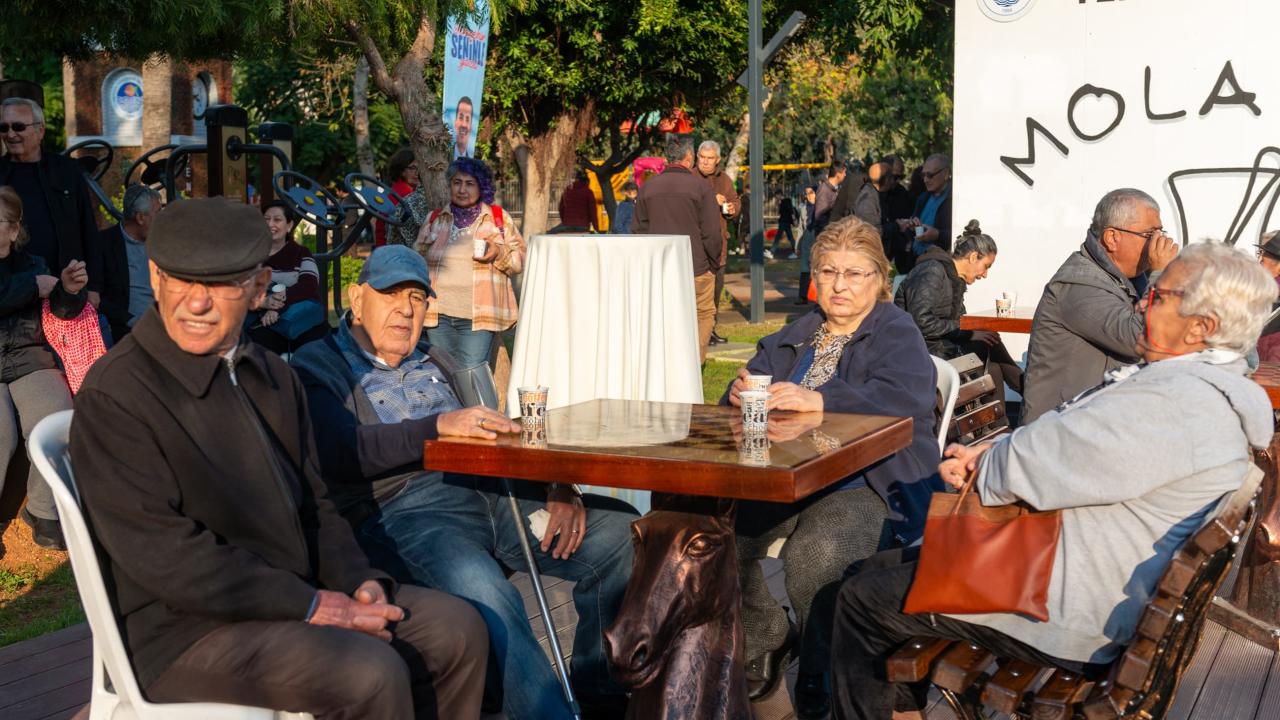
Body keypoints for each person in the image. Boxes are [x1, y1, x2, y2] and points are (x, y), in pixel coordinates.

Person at [68, 198, 487, 718]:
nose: (196, 303)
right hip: (183, 632)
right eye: (180, 280)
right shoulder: (117, 393)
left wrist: (359, 580)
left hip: (295, 592)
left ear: (259, 287)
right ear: (154, 277)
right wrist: (310, 605)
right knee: (370, 674)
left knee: (458, 629)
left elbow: (317, 504)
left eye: (222, 283)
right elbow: (166, 556)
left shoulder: (272, 375)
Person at [830, 241, 1277, 720]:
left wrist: (986, 464)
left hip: (1073, 608)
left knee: (860, 601)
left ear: (1201, 327)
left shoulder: (1172, 402)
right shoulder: (1211, 392)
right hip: (1087, 575)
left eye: (1160, 295)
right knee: (871, 573)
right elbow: (1062, 452)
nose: (1144, 301)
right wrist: (995, 456)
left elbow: (1033, 468)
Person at [290, 245, 638, 720]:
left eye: (416, 297)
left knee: (620, 535)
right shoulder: (318, 365)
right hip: (409, 514)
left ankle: (599, 694)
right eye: (391, 293)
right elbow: (340, 453)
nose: (406, 309)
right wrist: (437, 427)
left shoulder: (440, 359)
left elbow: (502, 430)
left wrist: (558, 487)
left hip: (499, 495)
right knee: (488, 592)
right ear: (356, 296)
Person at [722, 216, 943, 718]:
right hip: (785, 478)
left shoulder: (895, 330)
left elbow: (904, 399)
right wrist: (736, 393)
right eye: (829, 272)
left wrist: (819, 401)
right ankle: (763, 643)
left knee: (818, 558)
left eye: (854, 273)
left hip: (870, 478)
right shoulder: (797, 333)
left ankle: (818, 675)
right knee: (725, 534)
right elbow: (747, 391)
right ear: (814, 278)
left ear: (879, 279)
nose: (839, 285)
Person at [1022, 188, 1180, 423]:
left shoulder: (1130, 279)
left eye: (1161, 232)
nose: (1160, 243)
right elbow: (1140, 339)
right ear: (1112, 238)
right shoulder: (1079, 284)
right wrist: (1163, 275)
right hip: (1058, 434)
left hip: (1096, 422)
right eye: (1150, 235)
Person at [0, 186, 87, 551]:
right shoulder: (32, 277)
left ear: (14, 230)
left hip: (30, 357)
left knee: (53, 419)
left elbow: (62, 314)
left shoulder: (34, 264)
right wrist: (31, 287)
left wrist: (68, 290)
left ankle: (42, 510)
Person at [895, 220, 1024, 403]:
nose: (985, 275)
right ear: (973, 257)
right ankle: (1028, 391)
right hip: (920, 351)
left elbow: (958, 322)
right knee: (989, 346)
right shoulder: (932, 272)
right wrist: (970, 333)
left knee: (991, 349)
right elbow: (920, 322)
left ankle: (1002, 424)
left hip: (939, 345)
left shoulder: (955, 279)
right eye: (986, 266)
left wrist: (975, 331)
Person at [413, 157, 525, 369]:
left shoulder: (498, 219)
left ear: (481, 187)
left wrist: (497, 253)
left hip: (478, 316)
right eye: (457, 182)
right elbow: (416, 258)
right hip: (438, 314)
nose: (462, 189)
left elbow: (519, 261)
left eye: (469, 183)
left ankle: (475, 405)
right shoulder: (436, 218)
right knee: (445, 373)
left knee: (472, 375)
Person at [0, 98, 103, 306]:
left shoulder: (67, 170)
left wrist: (94, 288)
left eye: (18, 126)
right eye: (4, 127)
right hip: (13, 292)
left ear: (40, 130)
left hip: (66, 291)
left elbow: (89, 229)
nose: (10, 134)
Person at [634, 134, 723, 364]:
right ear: (689, 157)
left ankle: (664, 363)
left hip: (659, 269)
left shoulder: (647, 188)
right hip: (697, 268)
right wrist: (713, 265)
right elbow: (712, 233)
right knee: (702, 315)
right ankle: (694, 364)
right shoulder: (701, 188)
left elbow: (638, 233)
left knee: (664, 318)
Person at [247, 201, 327, 354]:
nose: (271, 224)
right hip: (259, 320)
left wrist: (277, 305)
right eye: (266, 219)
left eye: (277, 220)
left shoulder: (301, 253)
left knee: (315, 344)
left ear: (289, 226)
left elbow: (308, 286)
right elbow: (238, 287)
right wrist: (263, 303)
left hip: (296, 317)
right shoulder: (252, 255)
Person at [99, 184, 160, 343]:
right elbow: (95, 297)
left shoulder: (163, 242)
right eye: (157, 213)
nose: (161, 219)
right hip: (128, 330)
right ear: (140, 218)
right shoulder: (104, 244)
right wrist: (131, 320)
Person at [695, 140, 739, 345]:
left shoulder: (725, 180)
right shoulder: (690, 177)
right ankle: (697, 333)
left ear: (718, 160)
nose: (704, 162)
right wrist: (711, 199)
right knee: (695, 293)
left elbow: (735, 201)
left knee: (716, 290)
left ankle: (711, 330)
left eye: (709, 158)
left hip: (718, 246)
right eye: (701, 157)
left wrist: (732, 209)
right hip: (696, 247)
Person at [898, 153, 953, 265]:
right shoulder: (923, 198)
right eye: (923, 175)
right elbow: (914, 226)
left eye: (930, 175)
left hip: (940, 264)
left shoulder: (955, 200)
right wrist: (912, 225)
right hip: (917, 261)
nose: (925, 180)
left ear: (946, 174)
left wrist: (938, 235)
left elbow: (961, 235)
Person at [375, 148, 419, 247]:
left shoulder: (415, 191)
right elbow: (381, 229)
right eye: (412, 168)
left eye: (419, 168)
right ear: (401, 171)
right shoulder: (397, 195)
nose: (417, 173)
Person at [553, 169, 598, 233]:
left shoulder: (567, 190)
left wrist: (566, 220)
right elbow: (593, 212)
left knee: (548, 233)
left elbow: (561, 208)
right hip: (583, 226)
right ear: (587, 182)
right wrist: (596, 228)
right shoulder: (588, 192)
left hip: (567, 225)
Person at [796, 185, 818, 304]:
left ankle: (817, 296)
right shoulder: (804, 208)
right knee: (804, 269)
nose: (808, 196)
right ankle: (802, 296)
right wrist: (797, 246)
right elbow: (800, 227)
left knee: (817, 269)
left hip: (818, 238)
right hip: (806, 239)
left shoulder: (821, 206)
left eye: (810, 193)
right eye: (806, 193)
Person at [813, 161, 847, 234]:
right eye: (844, 172)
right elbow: (820, 216)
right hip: (826, 236)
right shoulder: (824, 190)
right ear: (838, 174)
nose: (845, 175)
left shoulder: (835, 189)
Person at [775, 192, 798, 258]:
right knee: (790, 238)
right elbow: (780, 212)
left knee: (778, 237)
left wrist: (794, 220)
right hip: (784, 222)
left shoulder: (787, 201)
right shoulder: (781, 202)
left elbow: (791, 211)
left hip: (784, 222)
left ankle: (772, 251)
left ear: (779, 195)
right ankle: (795, 251)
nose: (776, 197)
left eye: (776, 196)